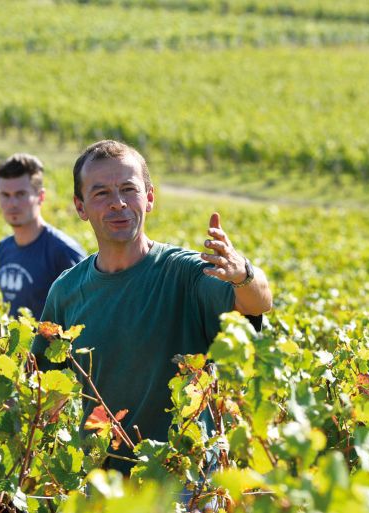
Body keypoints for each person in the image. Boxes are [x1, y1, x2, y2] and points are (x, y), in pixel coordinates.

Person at [32, 140, 272, 474]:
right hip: (104, 484)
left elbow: (257, 303)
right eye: (101, 193)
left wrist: (243, 274)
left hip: (186, 481)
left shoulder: (186, 273)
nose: (118, 203)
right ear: (80, 206)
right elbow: (43, 385)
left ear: (149, 198)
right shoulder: (67, 290)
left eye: (128, 189)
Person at [0, 153, 86, 319]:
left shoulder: (63, 251)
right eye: (5, 195)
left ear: (40, 196)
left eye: (21, 194)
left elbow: (86, 312)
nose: (12, 204)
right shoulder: (3, 249)